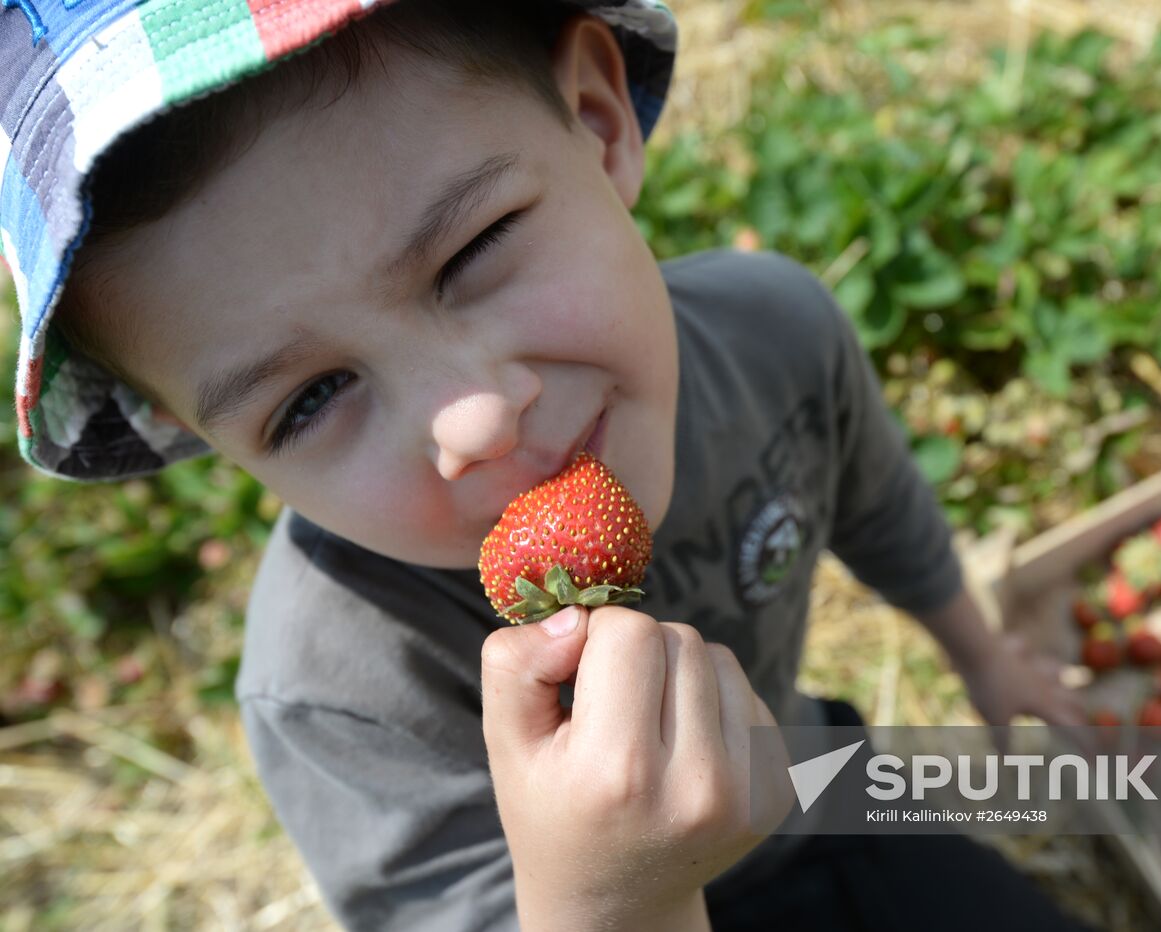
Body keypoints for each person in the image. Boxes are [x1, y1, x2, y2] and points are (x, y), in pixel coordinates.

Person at [2, 0, 1088, 928]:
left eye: (472, 250)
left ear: (595, 119)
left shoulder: (775, 332)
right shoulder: (336, 688)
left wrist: (977, 651)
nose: (470, 419)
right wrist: (615, 898)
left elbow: (874, 497)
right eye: (310, 397)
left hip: (818, 783)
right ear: (195, 431)